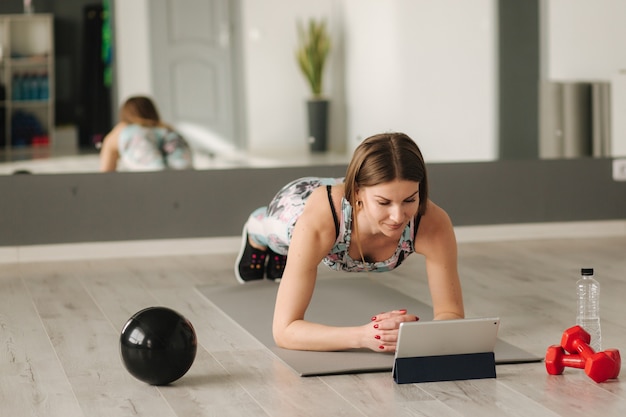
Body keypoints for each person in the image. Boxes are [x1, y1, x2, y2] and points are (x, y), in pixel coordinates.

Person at [235, 132, 464, 353]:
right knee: (276, 237)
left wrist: (418, 335)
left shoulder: (432, 222)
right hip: (299, 204)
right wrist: (365, 336)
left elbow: (451, 314)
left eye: (409, 200)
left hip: (356, 196)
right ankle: (256, 233)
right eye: (384, 203)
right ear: (357, 193)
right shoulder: (320, 220)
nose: (398, 216)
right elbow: (284, 332)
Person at [99, 96, 193, 172]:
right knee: (181, 171)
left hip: (150, 182)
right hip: (182, 182)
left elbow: (106, 175)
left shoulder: (122, 130)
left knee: (153, 170)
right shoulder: (166, 130)